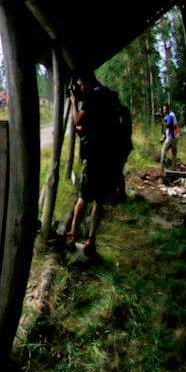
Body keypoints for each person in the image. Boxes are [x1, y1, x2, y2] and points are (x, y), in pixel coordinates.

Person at [65, 72, 119, 256]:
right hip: (110, 154)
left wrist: (74, 103)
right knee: (99, 200)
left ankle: (72, 235)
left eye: (80, 85)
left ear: (86, 82)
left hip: (95, 155)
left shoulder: (93, 96)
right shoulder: (108, 95)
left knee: (84, 197)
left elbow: (78, 121)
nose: (80, 88)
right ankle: (90, 240)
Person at [160, 103, 179, 171]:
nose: (164, 111)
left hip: (171, 136)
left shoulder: (171, 115)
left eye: (165, 110)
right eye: (163, 110)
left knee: (163, 150)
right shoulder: (169, 115)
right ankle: (173, 168)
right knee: (174, 152)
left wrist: (163, 121)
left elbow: (168, 125)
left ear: (168, 109)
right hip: (175, 135)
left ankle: (161, 168)